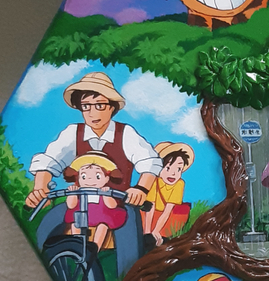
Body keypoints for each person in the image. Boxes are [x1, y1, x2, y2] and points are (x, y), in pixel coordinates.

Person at [25, 71, 161, 208]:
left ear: (112, 107)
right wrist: (40, 189)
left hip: (118, 208)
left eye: (99, 105)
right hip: (78, 205)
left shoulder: (125, 133)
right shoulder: (73, 132)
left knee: (130, 221)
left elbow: (149, 161)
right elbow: (50, 161)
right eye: (86, 106)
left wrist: (141, 189)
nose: (92, 113)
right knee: (52, 219)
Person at [62, 153, 128, 250]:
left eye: (97, 176)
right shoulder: (78, 191)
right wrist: (72, 193)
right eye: (83, 176)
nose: (89, 179)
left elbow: (112, 206)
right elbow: (71, 205)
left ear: (106, 178)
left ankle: (95, 249)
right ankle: (77, 247)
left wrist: (106, 194)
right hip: (83, 215)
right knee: (74, 224)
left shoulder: (103, 192)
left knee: (103, 226)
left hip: (101, 216)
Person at [142, 142, 194, 246]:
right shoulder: (154, 180)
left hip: (167, 217)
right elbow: (150, 208)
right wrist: (147, 232)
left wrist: (156, 231)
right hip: (151, 215)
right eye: (168, 168)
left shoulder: (179, 184)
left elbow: (168, 210)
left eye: (179, 169)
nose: (173, 173)